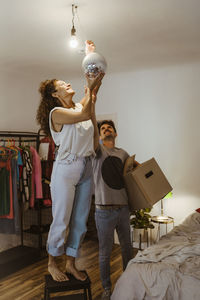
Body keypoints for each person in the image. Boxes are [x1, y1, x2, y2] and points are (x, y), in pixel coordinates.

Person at [36, 55, 104, 282]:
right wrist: (91, 92)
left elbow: (89, 111)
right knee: (61, 220)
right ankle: (52, 262)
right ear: (55, 94)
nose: (67, 84)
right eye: (62, 85)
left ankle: (71, 263)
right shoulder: (56, 114)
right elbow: (84, 113)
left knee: (80, 220)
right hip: (66, 169)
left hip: (86, 165)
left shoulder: (77, 106)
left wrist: (93, 91)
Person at [92, 119, 139, 300]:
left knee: (127, 248)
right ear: (100, 135)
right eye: (102, 129)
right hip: (103, 211)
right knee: (105, 252)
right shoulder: (96, 151)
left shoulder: (123, 153)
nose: (106, 130)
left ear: (115, 133)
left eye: (109, 127)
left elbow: (135, 168)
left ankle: (127, 284)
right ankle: (106, 288)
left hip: (123, 209)